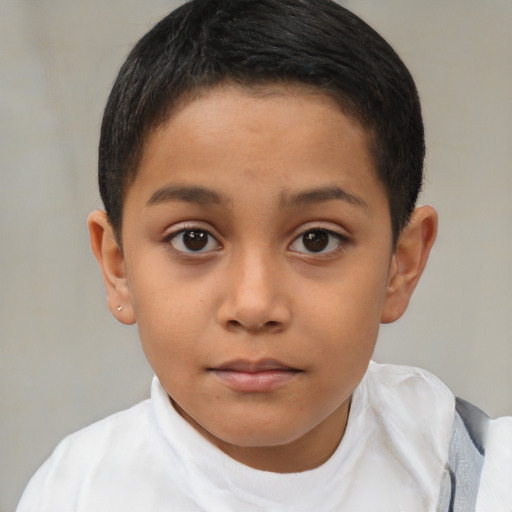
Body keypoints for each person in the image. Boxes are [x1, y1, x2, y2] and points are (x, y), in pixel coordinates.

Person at [17, 0, 511, 510]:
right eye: (194, 239)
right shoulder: (75, 493)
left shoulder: (479, 479)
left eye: (317, 239)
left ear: (400, 265)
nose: (254, 305)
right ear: (118, 267)